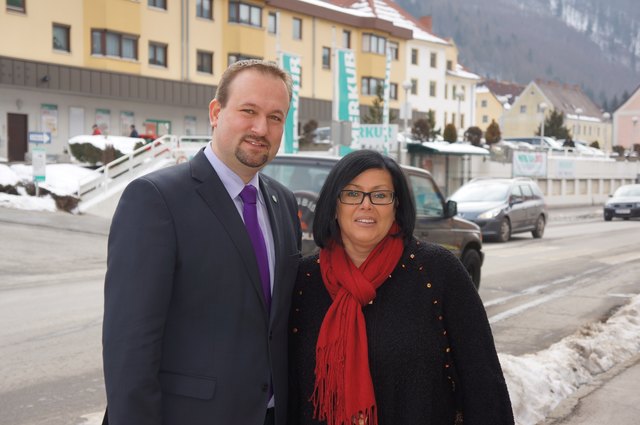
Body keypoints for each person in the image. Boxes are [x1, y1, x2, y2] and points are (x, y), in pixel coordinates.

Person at [103, 59, 302, 425]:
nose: (262, 128)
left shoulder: (283, 202)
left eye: (276, 117)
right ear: (215, 112)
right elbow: (130, 349)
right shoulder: (155, 200)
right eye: (249, 111)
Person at [288, 150, 514, 425]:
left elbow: (483, 383)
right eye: (352, 193)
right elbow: (288, 388)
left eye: (380, 195)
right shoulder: (303, 279)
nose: (366, 205)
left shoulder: (437, 272)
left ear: (397, 206)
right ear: (334, 205)